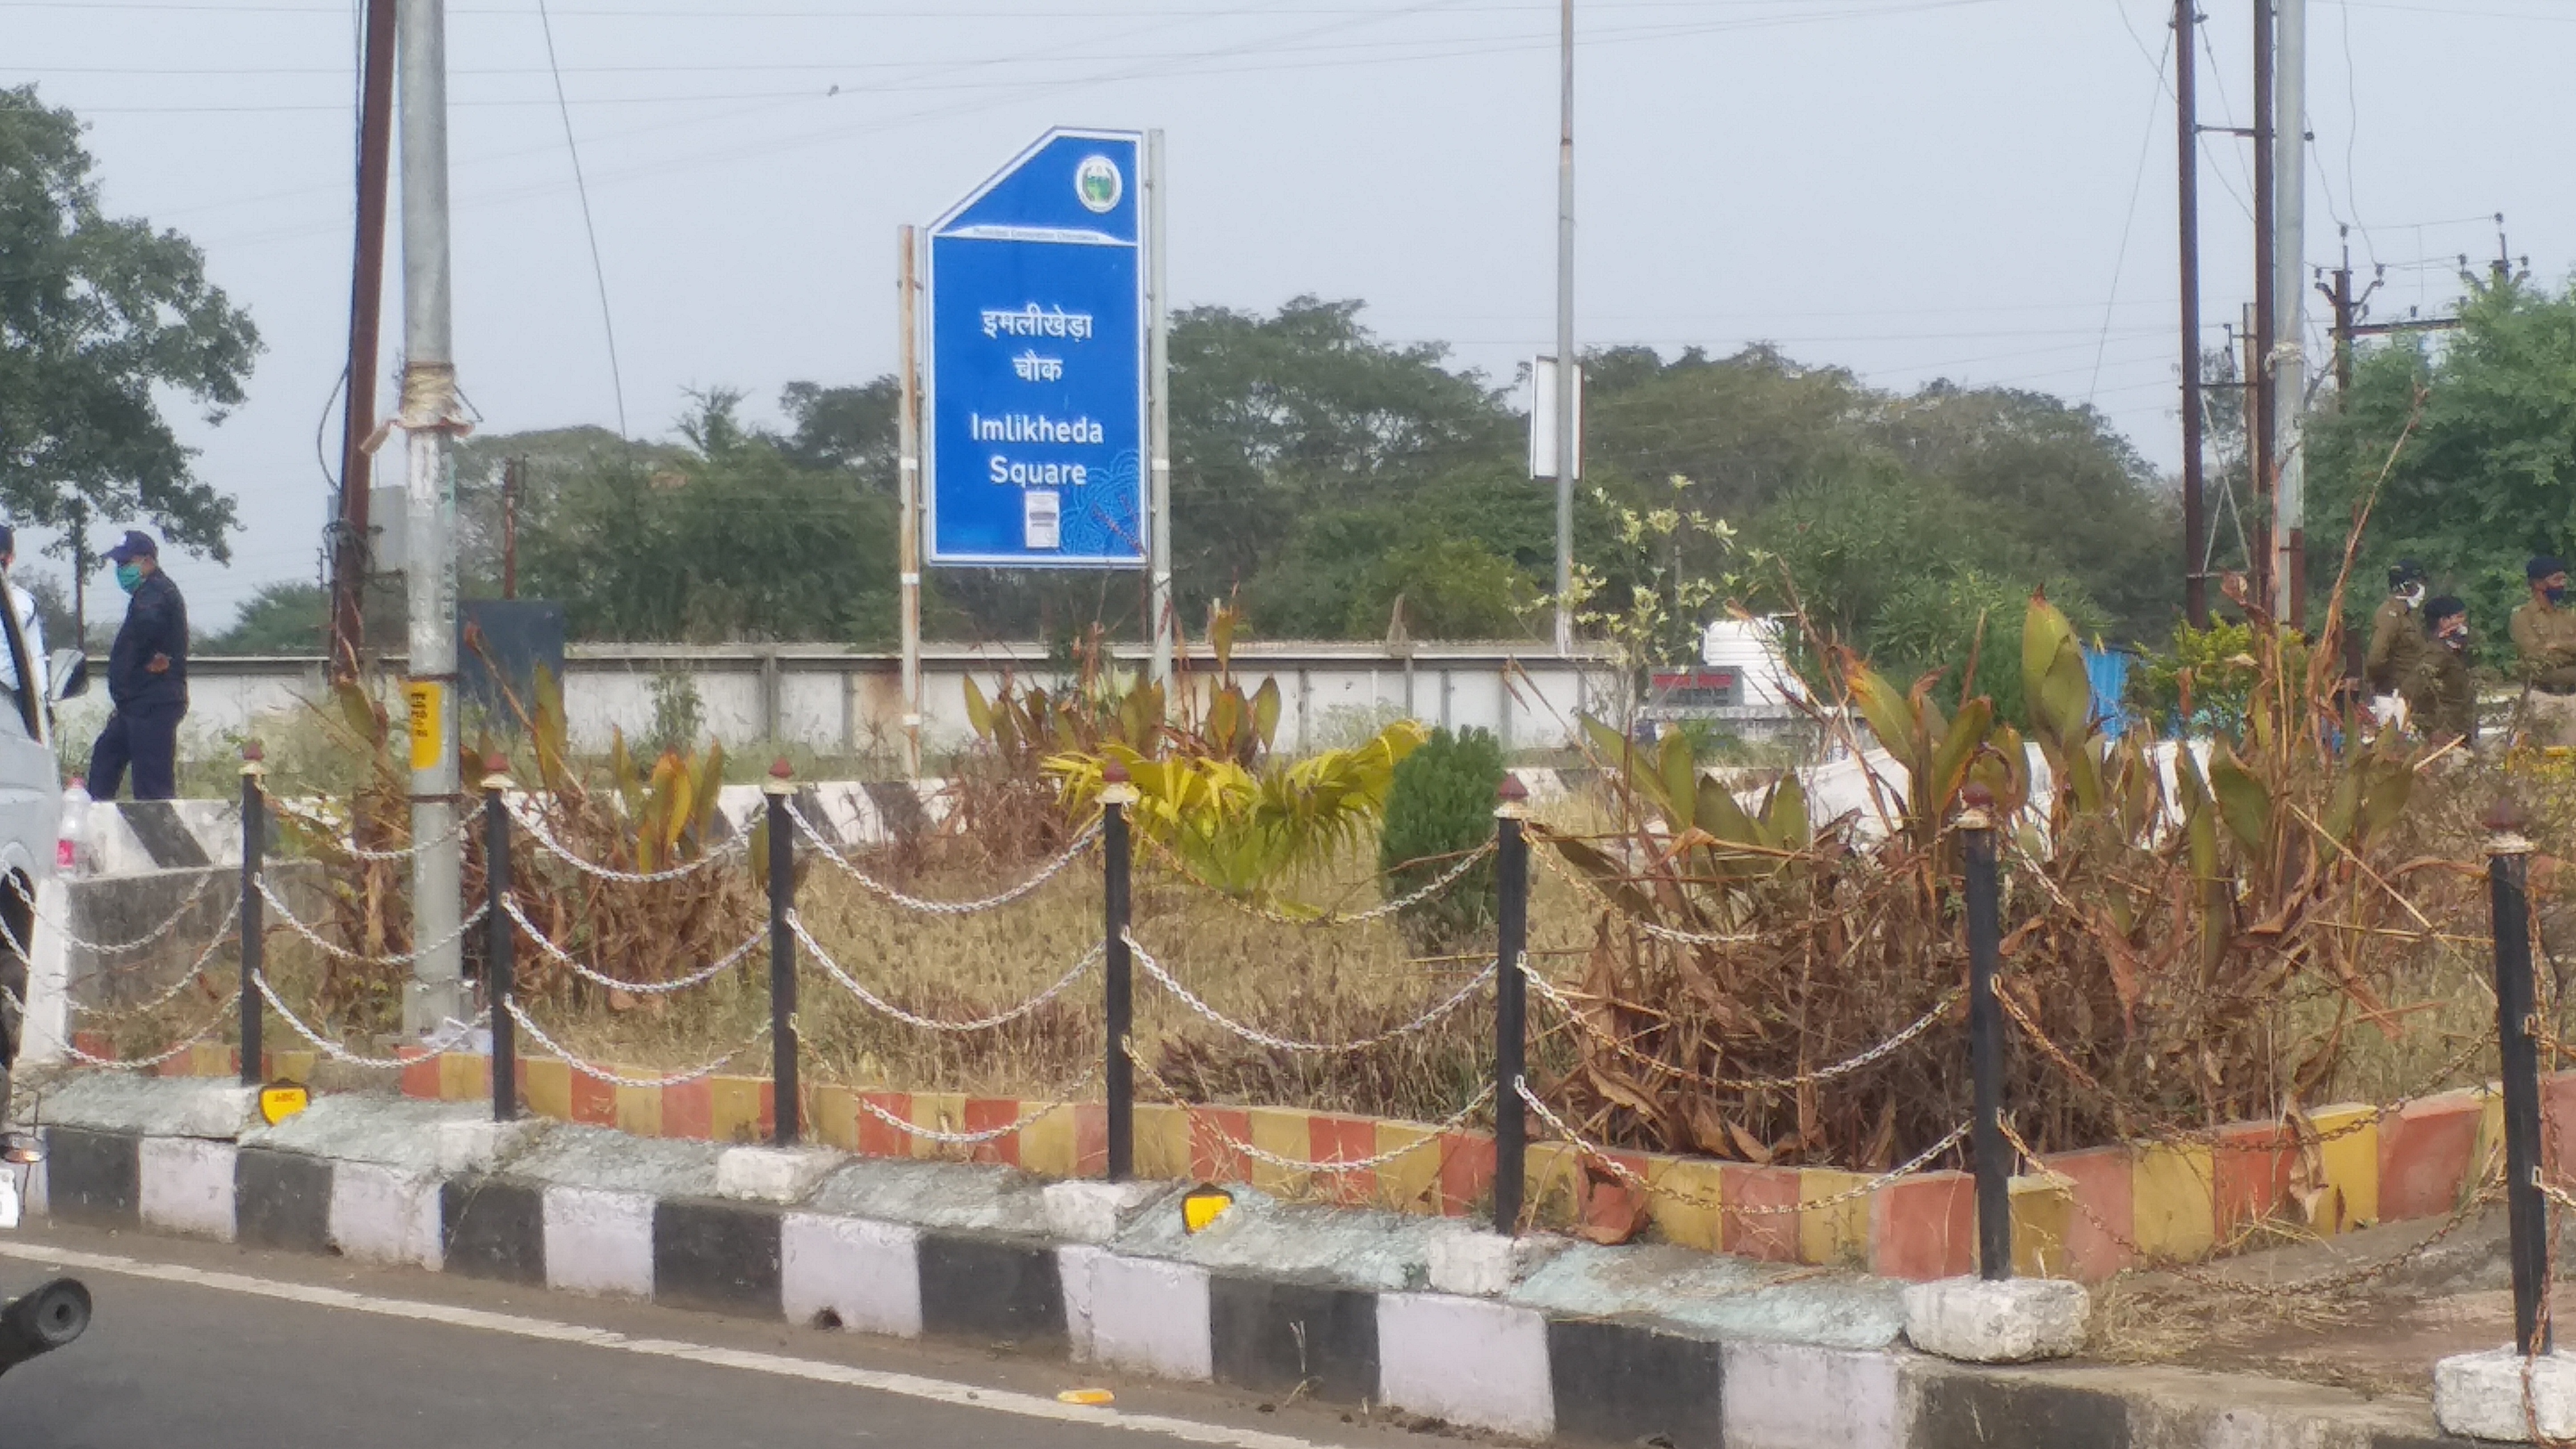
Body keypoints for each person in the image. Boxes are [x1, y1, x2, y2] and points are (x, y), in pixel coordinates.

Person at [88, 530, 187, 801]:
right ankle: (92, 825)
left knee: (152, 787)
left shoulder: (156, 593)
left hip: (153, 702)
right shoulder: (147, 593)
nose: (120, 571)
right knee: (106, 760)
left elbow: (149, 627)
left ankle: (162, 841)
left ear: (147, 561)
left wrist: (150, 658)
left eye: (125, 563)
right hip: (135, 702)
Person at [2511, 555, 2576, 748]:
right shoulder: (2523, 617)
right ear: (2539, 584)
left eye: (2564, 579)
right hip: (2544, 697)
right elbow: (2535, 656)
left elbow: (2549, 650)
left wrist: (2556, 645)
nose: (2562, 585)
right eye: (2557, 580)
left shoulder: (2567, 616)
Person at [2364, 560, 2429, 730]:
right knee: (2396, 749)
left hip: (2408, 695)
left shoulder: (2408, 615)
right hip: (2393, 697)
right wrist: (2386, 685)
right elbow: (2376, 658)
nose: (2422, 589)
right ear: (2405, 586)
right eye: (2419, 583)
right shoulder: (2390, 614)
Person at [2413, 595, 2477, 748]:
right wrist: (2435, 729)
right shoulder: (2437, 653)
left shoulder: (2456, 651)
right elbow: (2415, 690)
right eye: (2459, 617)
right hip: (2447, 734)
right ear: (2444, 622)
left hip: (2462, 729)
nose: (2463, 622)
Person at [0, 525, 46, 704]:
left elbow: (35, 657)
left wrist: (43, 703)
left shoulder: (23, 605)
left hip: (11, 710)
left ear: (11, 558)